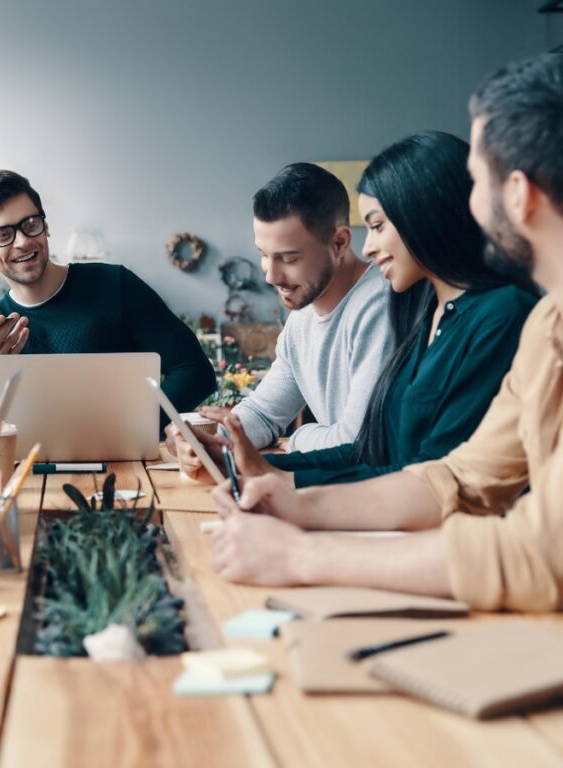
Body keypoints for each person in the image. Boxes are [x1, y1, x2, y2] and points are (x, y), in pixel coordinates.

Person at [208, 53, 563, 612]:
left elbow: (541, 554)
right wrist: (294, 502)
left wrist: (301, 554)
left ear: (518, 194)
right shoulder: (547, 323)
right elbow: (456, 478)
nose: (468, 203)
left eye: (475, 180)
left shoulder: (507, 313)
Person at [176, 132, 538, 488]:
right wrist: (233, 455)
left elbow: (419, 474)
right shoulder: (433, 313)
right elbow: (381, 453)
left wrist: (290, 459)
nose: (271, 275)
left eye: (377, 226)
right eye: (263, 256)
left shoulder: (473, 312)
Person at [0, 169, 216, 435]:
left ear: (46, 226)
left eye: (31, 224)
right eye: (2, 234)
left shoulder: (115, 285)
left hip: (125, 470)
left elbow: (194, 371)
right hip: (30, 474)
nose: (22, 241)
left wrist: (133, 427)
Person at [170, 162, 395, 454]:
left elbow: (359, 443)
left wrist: (299, 438)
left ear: (339, 243)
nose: (270, 276)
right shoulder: (302, 315)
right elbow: (264, 412)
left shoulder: (379, 306)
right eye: (264, 255)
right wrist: (211, 441)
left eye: (288, 259)